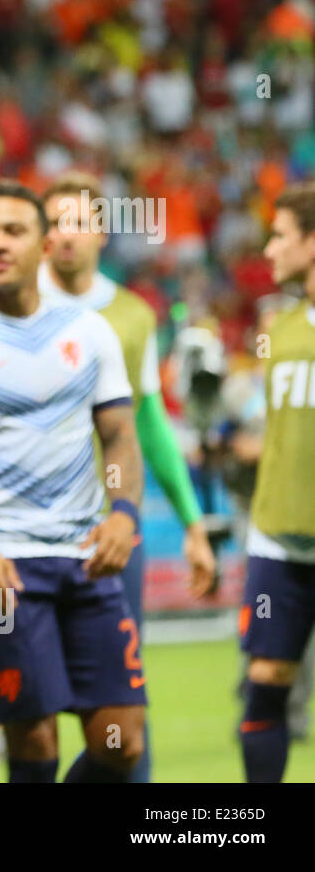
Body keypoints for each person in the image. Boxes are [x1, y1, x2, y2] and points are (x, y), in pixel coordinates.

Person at [0, 179, 147, 782]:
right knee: (32, 735)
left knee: (122, 742)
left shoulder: (91, 332)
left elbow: (119, 436)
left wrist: (125, 514)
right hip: (6, 565)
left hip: (85, 558)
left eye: (14, 231)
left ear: (44, 244)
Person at [37, 171, 217, 781]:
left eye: (79, 221)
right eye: (55, 221)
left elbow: (150, 429)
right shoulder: (11, 304)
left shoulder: (134, 315)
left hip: (112, 529)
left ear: (101, 231)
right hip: (26, 530)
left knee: (123, 703)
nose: (67, 235)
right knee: (27, 711)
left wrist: (192, 521)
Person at [238, 182, 315, 782]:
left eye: (281, 235)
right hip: (278, 537)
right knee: (265, 681)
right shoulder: (279, 328)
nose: (269, 249)